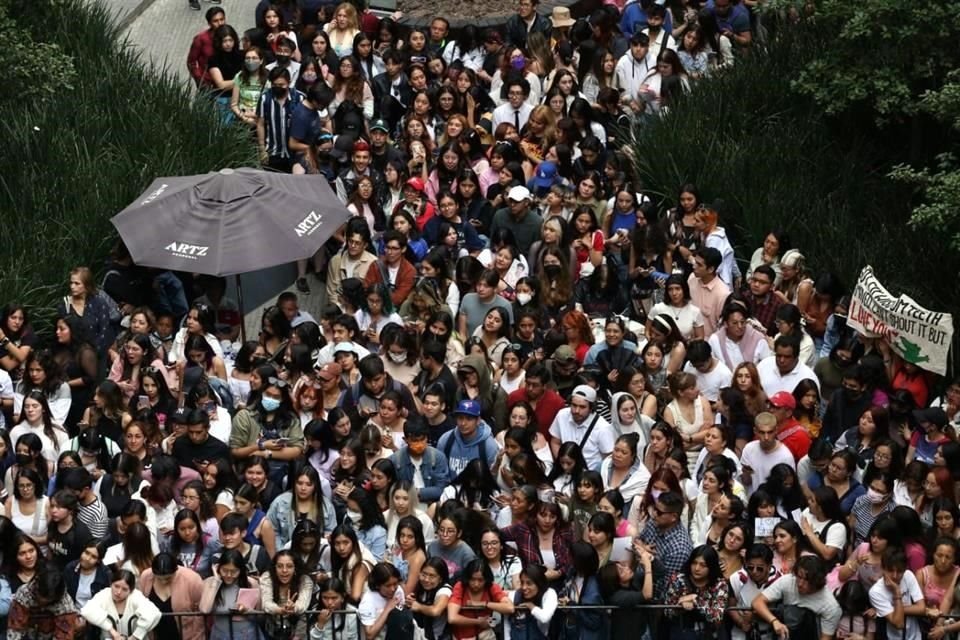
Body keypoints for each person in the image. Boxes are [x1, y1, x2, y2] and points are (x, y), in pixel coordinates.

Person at [751, 555, 842, 640]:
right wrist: (774, 621)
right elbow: (757, 602)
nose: (800, 583)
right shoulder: (788, 581)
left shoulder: (830, 606)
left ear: (817, 581)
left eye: (806, 580)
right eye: (799, 577)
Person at [664, 544, 729, 639]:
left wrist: (695, 601)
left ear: (711, 567)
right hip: (682, 632)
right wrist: (680, 604)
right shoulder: (678, 580)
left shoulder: (720, 584)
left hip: (709, 634)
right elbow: (667, 612)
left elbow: (717, 616)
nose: (697, 568)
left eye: (703, 565)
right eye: (694, 563)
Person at [80, 568, 162, 639]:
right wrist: (112, 631)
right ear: (111, 584)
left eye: (124, 589)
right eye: (116, 586)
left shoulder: (135, 596)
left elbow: (154, 613)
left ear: (131, 590)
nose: (118, 592)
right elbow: (87, 610)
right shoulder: (104, 594)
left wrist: (135, 637)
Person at [548, 385, 615, 470]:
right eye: (574, 405)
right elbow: (555, 442)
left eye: (582, 407)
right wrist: (563, 464)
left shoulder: (603, 427)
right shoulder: (562, 415)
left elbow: (608, 457)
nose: (576, 411)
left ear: (591, 408)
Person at [868, 547, 926, 640]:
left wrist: (895, 611)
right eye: (890, 570)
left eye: (899, 571)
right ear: (883, 568)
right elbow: (899, 623)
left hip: (915, 636)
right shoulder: (876, 591)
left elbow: (921, 608)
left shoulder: (908, 575)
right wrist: (896, 592)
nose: (895, 576)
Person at [6, 569, 81, 640]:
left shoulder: (66, 605)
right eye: (40, 598)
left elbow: (64, 636)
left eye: (47, 601)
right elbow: (14, 629)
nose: (42, 602)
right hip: (27, 635)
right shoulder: (24, 593)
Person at [740, 412, 796, 494]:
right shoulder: (749, 449)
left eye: (770, 432)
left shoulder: (785, 456)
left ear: (776, 430)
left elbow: (789, 488)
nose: (766, 437)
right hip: (755, 501)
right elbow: (746, 482)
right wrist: (746, 473)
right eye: (762, 432)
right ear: (755, 431)